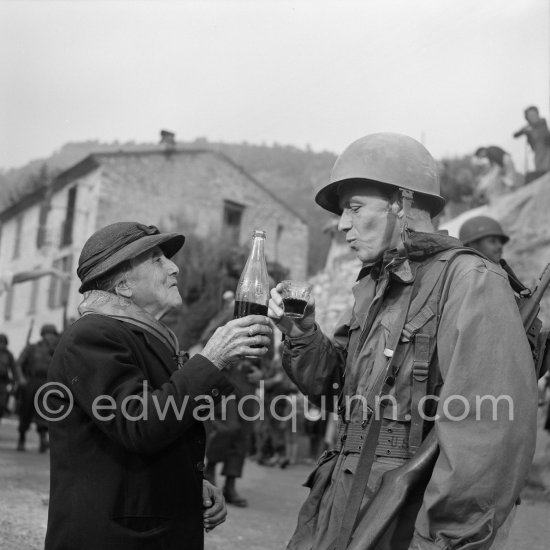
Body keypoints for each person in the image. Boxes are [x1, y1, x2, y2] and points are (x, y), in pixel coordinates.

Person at [268, 133, 538, 550]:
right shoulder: (374, 286)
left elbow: (485, 434)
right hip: (341, 497)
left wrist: (441, 540)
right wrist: (302, 333)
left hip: (404, 513)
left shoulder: (468, 280)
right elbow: (334, 389)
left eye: (355, 208)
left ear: (402, 203)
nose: (343, 225)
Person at [44, 222, 272, 550]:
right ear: (123, 285)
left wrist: (192, 483)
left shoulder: (146, 338)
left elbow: (165, 427)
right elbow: (139, 424)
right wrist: (212, 359)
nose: (174, 267)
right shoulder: (92, 336)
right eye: (156, 260)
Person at [199, 290, 264, 507]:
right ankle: (210, 471)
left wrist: (263, 374)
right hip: (226, 379)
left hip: (248, 384)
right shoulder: (230, 313)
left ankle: (231, 483)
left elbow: (270, 357)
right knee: (227, 427)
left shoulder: (267, 322)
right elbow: (207, 339)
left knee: (243, 434)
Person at [15, 323, 60, 452]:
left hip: (47, 382)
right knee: (26, 410)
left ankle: (42, 440)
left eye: (53, 334)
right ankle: (22, 438)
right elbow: (19, 364)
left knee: (44, 411)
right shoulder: (32, 348)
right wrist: (21, 378)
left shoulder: (56, 350)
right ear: (43, 335)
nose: (51, 337)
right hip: (32, 381)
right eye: (49, 334)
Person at [513, 105, 550, 182]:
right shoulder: (528, 127)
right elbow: (515, 135)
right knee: (540, 168)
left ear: (537, 114)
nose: (532, 117)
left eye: (534, 114)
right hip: (537, 150)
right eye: (530, 116)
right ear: (527, 119)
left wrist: (528, 129)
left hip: (546, 147)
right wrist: (524, 130)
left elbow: (538, 124)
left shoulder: (542, 121)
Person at [0, 334, 15, 422]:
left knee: (2, 404)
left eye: (3, 343)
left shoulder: (9, 354)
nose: (2, 345)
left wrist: (14, 382)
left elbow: (13, 368)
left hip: (3, 382)